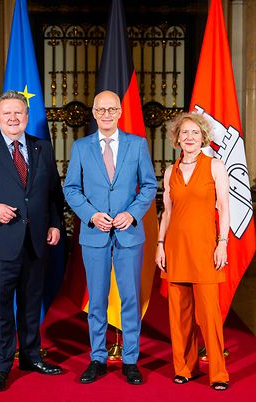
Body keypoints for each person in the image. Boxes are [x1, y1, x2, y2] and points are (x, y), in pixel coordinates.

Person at [0, 90, 64, 392]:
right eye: (7, 113)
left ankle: (31, 357)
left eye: (18, 112)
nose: (13, 118)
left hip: (35, 242)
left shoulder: (42, 148)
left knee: (32, 305)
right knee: (0, 308)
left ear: (27, 116)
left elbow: (52, 193)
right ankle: (1, 367)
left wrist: (55, 223)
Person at [63, 90, 157, 385]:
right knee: (98, 299)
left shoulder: (137, 144)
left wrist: (132, 213)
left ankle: (130, 360)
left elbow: (150, 185)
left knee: (130, 297)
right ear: (93, 113)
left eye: (111, 109)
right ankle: (98, 358)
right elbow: (71, 189)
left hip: (129, 232)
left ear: (119, 112)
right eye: (101, 109)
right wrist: (90, 214)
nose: (106, 114)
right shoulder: (80, 147)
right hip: (94, 234)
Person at [155, 112, 231, 391]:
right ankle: (184, 368)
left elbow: (223, 206)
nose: (189, 137)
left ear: (203, 137)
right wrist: (160, 246)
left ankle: (218, 373)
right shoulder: (169, 171)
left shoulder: (215, 166)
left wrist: (222, 242)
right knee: (179, 314)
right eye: (184, 133)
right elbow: (167, 212)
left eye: (195, 133)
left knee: (209, 314)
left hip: (205, 249)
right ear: (176, 138)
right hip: (175, 247)